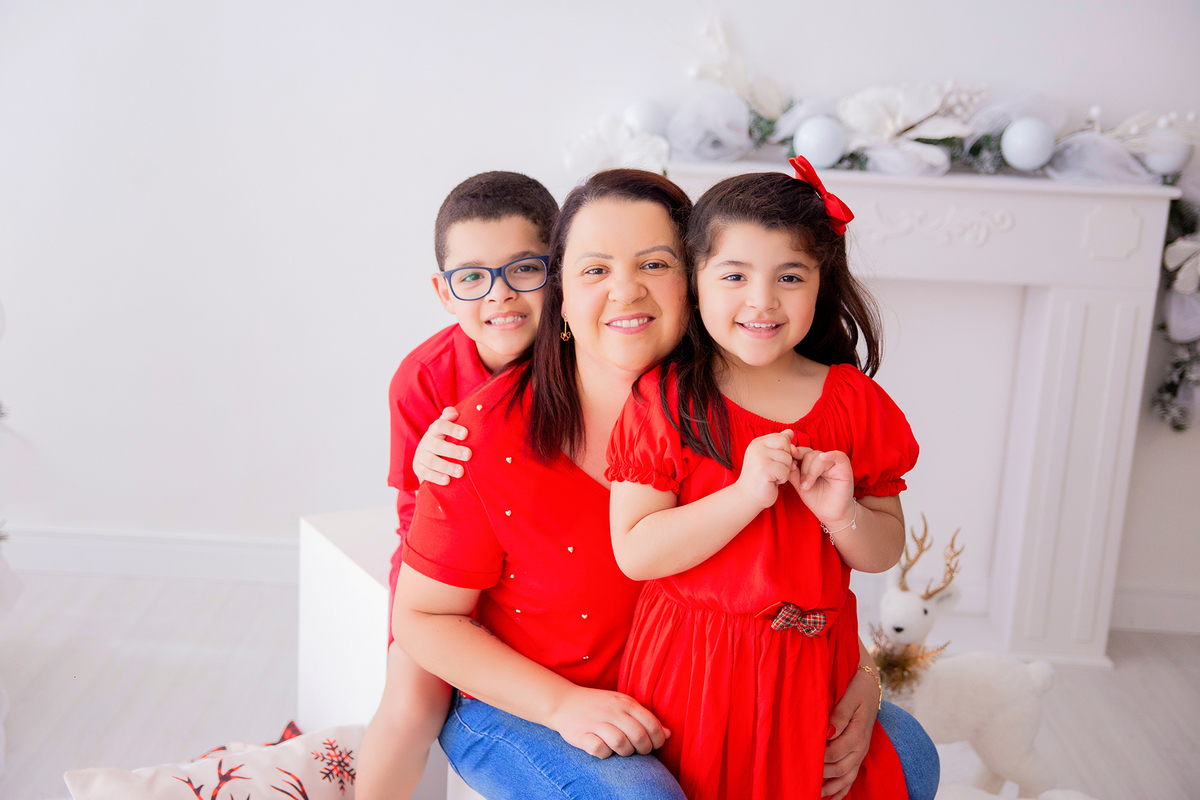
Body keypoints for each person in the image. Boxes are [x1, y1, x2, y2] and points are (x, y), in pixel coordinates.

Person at [394, 169, 938, 800]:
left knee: (908, 755)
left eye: (654, 263)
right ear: (561, 294)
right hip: (530, 702)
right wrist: (561, 705)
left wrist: (864, 673)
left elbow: (802, 572)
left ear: (696, 281)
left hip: (719, 692)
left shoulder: (742, 416)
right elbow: (424, 616)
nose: (626, 290)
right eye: (595, 270)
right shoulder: (478, 439)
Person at [607, 159, 922, 800]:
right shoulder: (667, 400)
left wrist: (842, 516)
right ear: (696, 283)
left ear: (820, 283)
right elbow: (635, 552)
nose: (762, 300)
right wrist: (746, 495)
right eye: (734, 275)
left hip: (815, 669)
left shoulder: (857, 403)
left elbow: (883, 550)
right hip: (695, 670)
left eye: (789, 276)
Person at [357, 171, 558, 800]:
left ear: (559, 269)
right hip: (444, 557)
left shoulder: (586, 360)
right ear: (445, 293)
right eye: (472, 277)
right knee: (413, 702)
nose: (499, 296)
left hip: (544, 554)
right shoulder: (423, 377)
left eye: (524, 269)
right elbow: (413, 507)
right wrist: (426, 467)